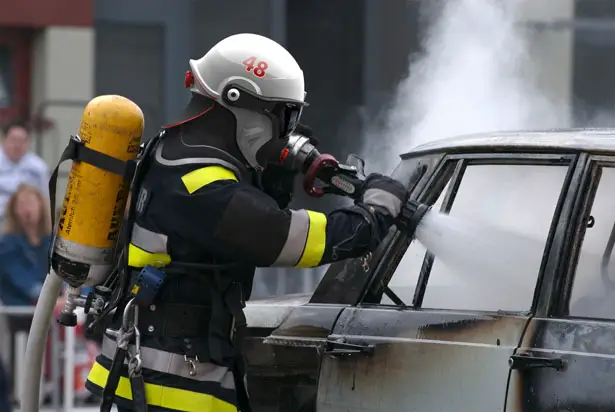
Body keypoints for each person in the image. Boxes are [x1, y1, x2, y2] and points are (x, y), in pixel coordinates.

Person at [84, 33, 414, 412]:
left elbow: (234, 227)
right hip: (173, 389)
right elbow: (289, 238)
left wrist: (274, 177)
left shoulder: (173, 151)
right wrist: (375, 212)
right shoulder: (203, 188)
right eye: (284, 116)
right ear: (240, 104)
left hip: (159, 374)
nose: (287, 132)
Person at [0, 122, 49, 225]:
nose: (17, 145)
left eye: (22, 141)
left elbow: (43, 201)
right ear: (4, 139)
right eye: (13, 140)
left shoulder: (38, 168)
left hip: (25, 224)